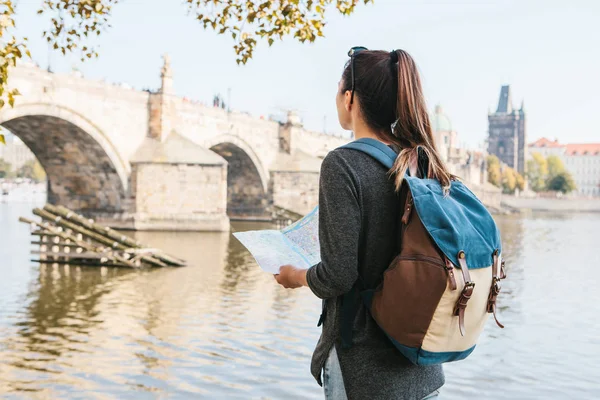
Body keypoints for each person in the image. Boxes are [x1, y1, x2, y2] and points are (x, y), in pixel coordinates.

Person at [274, 48, 452, 399]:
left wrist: (294, 276)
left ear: (350, 97)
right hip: (423, 363)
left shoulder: (343, 164)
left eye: (338, 89)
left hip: (365, 371)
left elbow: (338, 276)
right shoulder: (419, 159)